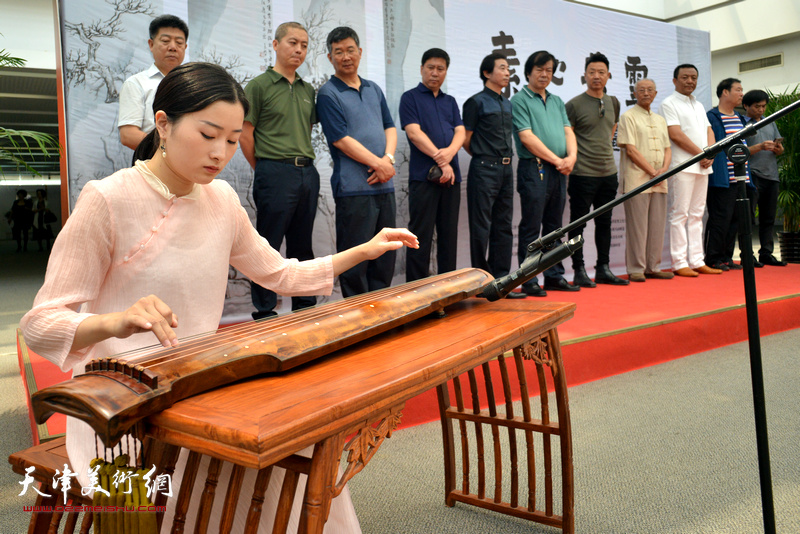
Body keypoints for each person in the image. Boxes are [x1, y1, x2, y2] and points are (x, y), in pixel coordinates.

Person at [20, 62, 417, 532]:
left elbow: (282, 274)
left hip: (197, 390)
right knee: (199, 483)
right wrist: (116, 321)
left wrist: (364, 251)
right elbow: (40, 323)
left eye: (232, 140)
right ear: (163, 125)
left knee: (297, 449)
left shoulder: (221, 199)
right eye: (208, 135)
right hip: (119, 412)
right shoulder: (109, 199)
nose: (221, 153)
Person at [240, 22, 321, 320]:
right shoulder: (259, 86)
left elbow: (306, 129)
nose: (298, 50)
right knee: (268, 243)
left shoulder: (307, 89)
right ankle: (264, 309)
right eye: (292, 43)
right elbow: (245, 133)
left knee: (303, 244)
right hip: (273, 171)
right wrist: (263, 169)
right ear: (275, 45)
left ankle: (304, 306)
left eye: (303, 45)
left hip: (307, 173)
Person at [317, 27, 399, 298]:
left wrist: (386, 161)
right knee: (355, 261)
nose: (345, 56)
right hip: (354, 189)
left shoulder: (374, 89)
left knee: (385, 257)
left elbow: (389, 127)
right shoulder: (328, 93)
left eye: (350, 49)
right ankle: (357, 318)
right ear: (330, 57)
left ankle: (382, 314)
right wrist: (379, 164)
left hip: (384, 187)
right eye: (338, 52)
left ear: (360, 52)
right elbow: (340, 139)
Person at [510, 50, 578, 295]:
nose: (544, 74)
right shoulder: (519, 100)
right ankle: (528, 279)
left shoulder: (557, 100)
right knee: (531, 226)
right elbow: (526, 137)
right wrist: (557, 159)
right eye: (539, 69)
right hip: (534, 168)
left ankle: (554, 275)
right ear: (528, 72)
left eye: (549, 70)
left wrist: (571, 158)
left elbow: (568, 131)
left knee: (554, 227)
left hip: (559, 170)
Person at [399, 48, 465, 282]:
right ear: (421, 69)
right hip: (423, 179)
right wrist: (442, 159)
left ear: (446, 71)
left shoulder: (450, 101)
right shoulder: (410, 98)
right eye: (430, 68)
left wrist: (450, 154)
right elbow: (414, 133)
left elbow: (460, 131)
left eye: (440, 69)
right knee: (420, 237)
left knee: (449, 237)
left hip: (451, 179)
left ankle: (449, 290)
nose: (435, 73)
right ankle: (416, 292)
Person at [462, 53, 525, 298]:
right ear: (487, 73)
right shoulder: (475, 102)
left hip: (507, 170)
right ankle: (481, 283)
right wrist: (484, 157)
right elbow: (467, 140)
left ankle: (502, 283)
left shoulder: (506, 102)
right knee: (481, 227)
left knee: (503, 226)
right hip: (484, 169)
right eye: (502, 68)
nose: (507, 72)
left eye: (508, 68)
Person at [566, 52, 628, 287]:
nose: (596, 76)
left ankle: (603, 268)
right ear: (584, 75)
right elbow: (568, 136)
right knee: (577, 225)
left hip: (608, 173)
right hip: (582, 173)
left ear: (608, 75)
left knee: (605, 222)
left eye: (601, 72)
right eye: (592, 72)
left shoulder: (614, 102)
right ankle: (579, 269)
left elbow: (611, 131)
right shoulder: (573, 104)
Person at [659, 64, 722, 277]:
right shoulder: (669, 103)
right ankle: (679, 262)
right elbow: (675, 134)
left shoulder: (698, 104)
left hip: (702, 166)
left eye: (693, 77)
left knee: (697, 214)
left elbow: (708, 130)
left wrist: (711, 153)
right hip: (682, 166)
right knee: (680, 214)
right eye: (685, 77)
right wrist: (701, 154)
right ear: (675, 80)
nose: (690, 81)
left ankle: (697, 260)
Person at [617, 79, 673, 282]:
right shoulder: (628, 116)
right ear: (635, 93)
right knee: (638, 227)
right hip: (637, 179)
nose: (646, 93)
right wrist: (652, 172)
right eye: (641, 90)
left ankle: (654, 266)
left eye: (650, 90)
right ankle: (636, 269)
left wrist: (664, 170)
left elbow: (667, 148)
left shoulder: (660, 119)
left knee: (657, 226)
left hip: (660, 179)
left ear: (656, 93)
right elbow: (630, 149)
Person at [705, 77, 757, 271]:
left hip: (742, 178)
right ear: (724, 92)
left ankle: (727, 256)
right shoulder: (712, 116)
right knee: (720, 219)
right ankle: (713, 257)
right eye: (738, 89)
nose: (741, 93)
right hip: (722, 179)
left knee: (736, 220)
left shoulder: (741, 117)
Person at [118, 14, 188, 151]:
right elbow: (128, 135)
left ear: (185, 47)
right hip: (152, 165)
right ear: (151, 44)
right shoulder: (136, 83)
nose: (173, 47)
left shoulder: (194, 85)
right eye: (166, 41)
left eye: (179, 43)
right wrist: (170, 150)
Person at [743, 89, 787, 266]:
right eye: (756, 106)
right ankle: (747, 254)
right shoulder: (742, 124)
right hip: (752, 174)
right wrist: (760, 147)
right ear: (746, 106)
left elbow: (780, 147)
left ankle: (766, 252)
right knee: (749, 216)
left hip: (771, 174)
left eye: (763, 106)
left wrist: (778, 149)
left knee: (769, 217)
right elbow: (740, 151)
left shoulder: (770, 122)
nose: (761, 110)